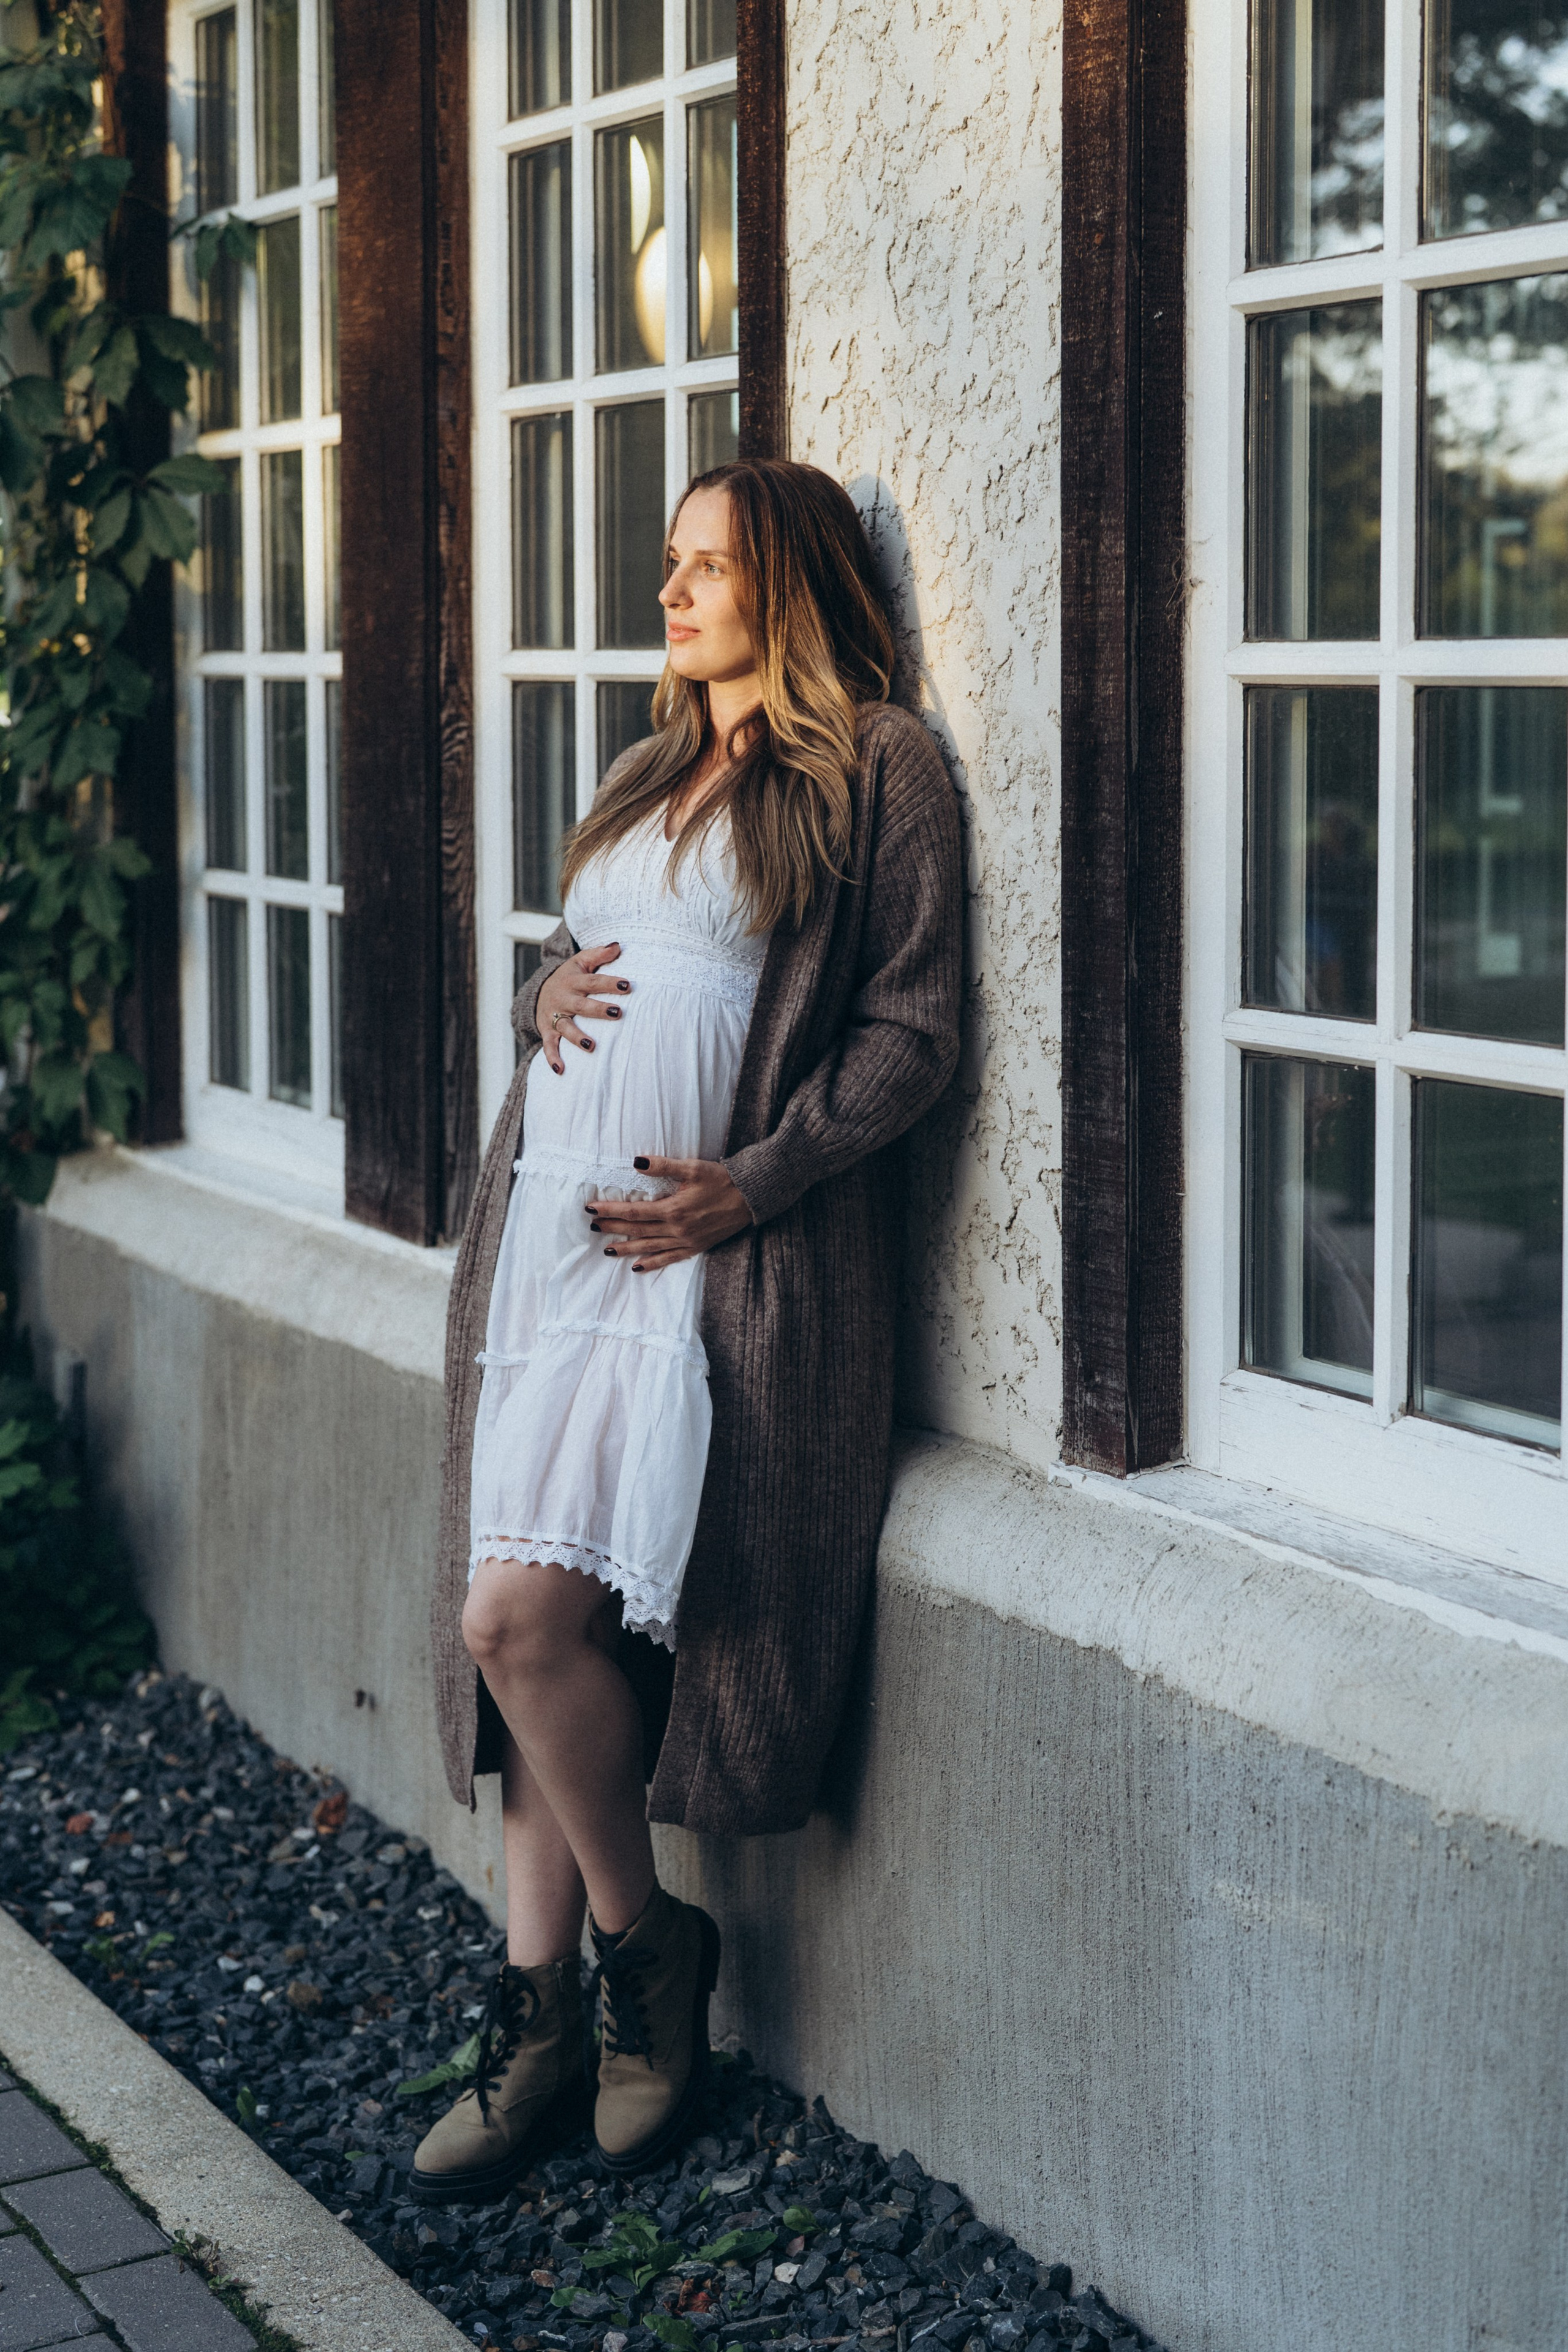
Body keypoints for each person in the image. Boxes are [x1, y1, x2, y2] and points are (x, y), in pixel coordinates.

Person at [416, 460, 963, 2204]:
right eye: (670, 563)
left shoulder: (877, 766)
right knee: (519, 1630)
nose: (675, 589)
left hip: (701, 1275)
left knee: (524, 1619)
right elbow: (588, 961)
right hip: (553, 1260)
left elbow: (910, 1030)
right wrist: (534, 992)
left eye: (711, 564)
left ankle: (647, 1962)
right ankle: (547, 2023)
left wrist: (758, 1182)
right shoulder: (653, 766)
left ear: (790, 584)